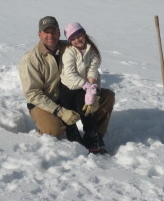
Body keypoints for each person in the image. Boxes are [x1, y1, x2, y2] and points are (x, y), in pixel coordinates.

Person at [19, 16, 115, 154]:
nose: (50, 35)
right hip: (45, 102)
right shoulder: (31, 59)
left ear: (59, 32)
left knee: (108, 97)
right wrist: (59, 111)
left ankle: (94, 135)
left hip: (72, 94)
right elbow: (32, 94)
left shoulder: (71, 47)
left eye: (54, 31)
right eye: (46, 32)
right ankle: (59, 126)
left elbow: (92, 71)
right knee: (53, 131)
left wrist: (95, 93)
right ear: (39, 34)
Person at [59, 21, 106, 153]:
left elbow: (93, 69)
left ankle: (92, 137)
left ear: (84, 34)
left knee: (86, 110)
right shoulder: (70, 52)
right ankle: (72, 134)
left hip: (83, 87)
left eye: (79, 36)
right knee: (68, 112)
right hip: (68, 86)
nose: (77, 40)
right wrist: (86, 84)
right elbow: (70, 73)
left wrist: (91, 88)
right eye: (72, 38)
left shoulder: (92, 51)